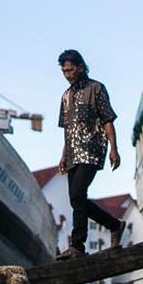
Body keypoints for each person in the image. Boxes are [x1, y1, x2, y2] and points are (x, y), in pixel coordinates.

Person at [56, 49, 124, 259]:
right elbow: (68, 129)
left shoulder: (96, 88)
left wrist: (114, 148)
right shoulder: (65, 96)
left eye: (71, 70)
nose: (68, 74)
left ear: (81, 67)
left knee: (77, 195)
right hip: (73, 154)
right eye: (64, 71)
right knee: (76, 199)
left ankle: (77, 246)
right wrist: (64, 155)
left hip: (93, 149)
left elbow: (107, 120)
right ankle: (114, 225)